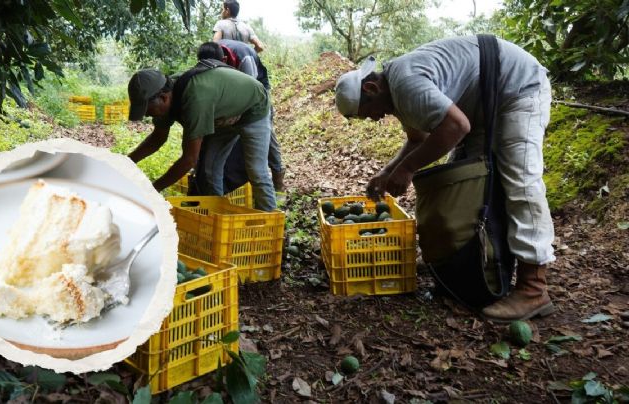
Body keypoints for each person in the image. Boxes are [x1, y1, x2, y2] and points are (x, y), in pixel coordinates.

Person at [334, 35, 556, 322]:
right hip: (481, 106)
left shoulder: (405, 84)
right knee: (469, 186)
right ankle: (479, 267)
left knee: (520, 182)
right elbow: (419, 139)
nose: (374, 120)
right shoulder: (397, 92)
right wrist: (388, 171)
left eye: (367, 114)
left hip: (516, 89)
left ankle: (533, 288)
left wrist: (408, 169)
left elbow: (456, 126)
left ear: (371, 87)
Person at [126, 65, 276, 211]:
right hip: (222, 115)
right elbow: (157, 139)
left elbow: (189, 160)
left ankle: (269, 223)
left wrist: (152, 191)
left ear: (164, 98)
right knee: (210, 169)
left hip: (253, 107)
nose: (147, 115)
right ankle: (216, 214)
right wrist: (125, 162)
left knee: (256, 170)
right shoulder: (166, 95)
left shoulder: (194, 99)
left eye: (148, 111)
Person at [195, 40, 285, 191]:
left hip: (258, 92)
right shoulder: (209, 58)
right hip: (233, 90)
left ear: (224, 60)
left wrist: (235, 114)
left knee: (266, 131)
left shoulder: (244, 59)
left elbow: (251, 93)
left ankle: (278, 178)